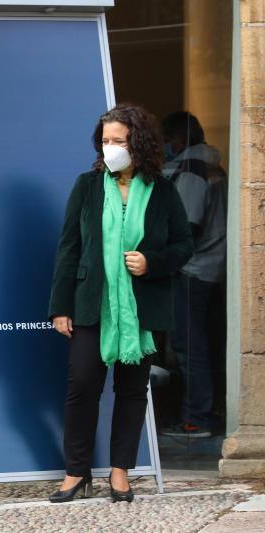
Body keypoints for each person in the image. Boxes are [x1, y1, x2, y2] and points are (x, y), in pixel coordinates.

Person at [47, 104, 193, 504]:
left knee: (131, 392)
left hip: (142, 310)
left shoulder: (162, 190)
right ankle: (76, 473)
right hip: (91, 304)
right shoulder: (87, 186)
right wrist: (61, 307)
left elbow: (184, 244)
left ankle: (120, 473)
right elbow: (68, 249)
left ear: (138, 143)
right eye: (105, 141)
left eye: (119, 141)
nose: (110, 148)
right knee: (82, 387)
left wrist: (151, 262)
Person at [160, 112, 228, 439]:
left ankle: (196, 419)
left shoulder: (191, 171)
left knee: (189, 346)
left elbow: (188, 225)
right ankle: (206, 412)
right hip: (210, 266)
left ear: (175, 139)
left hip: (191, 269)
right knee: (203, 343)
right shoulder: (212, 167)